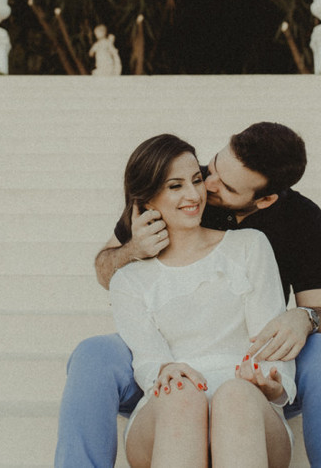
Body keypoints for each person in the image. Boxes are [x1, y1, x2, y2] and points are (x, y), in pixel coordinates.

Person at [56, 122, 321, 467]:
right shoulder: (181, 177)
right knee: (93, 354)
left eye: (223, 185)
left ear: (264, 199)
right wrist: (132, 250)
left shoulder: (298, 221)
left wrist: (304, 318)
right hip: (168, 369)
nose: (204, 187)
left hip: (251, 370)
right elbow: (108, 268)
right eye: (213, 167)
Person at [110, 133, 294, 467]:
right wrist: (166, 370)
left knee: (236, 395)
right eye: (175, 186)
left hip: (248, 410)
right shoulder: (128, 280)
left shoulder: (250, 246)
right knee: (181, 394)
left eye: (196, 180)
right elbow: (147, 361)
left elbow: (271, 345)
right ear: (148, 199)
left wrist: (272, 386)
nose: (194, 195)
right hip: (167, 414)